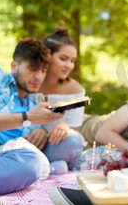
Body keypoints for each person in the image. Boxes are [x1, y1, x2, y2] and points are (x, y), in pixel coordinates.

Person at [0, 38, 64, 195]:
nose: (38, 77)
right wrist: (28, 117)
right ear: (14, 66)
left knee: (32, 162)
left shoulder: (34, 103)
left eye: (43, 70)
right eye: (33, 68)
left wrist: (45, 130)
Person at [38, 27, 86, 174]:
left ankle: (42, 167)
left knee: (74, 140)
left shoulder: (76, 91)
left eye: (72, 61)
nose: (69, 66)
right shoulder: (29, 82)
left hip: (53, 147)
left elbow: (74, 129)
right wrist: (35, 129)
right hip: (25, 142)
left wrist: (66, 126)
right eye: (63, 59)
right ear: (48, 56)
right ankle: (49, 168)